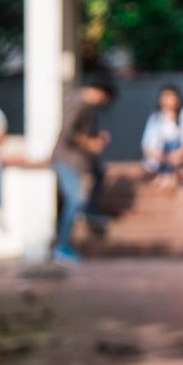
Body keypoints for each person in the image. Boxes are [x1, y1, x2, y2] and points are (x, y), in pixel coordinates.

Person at [50, 77, 115, 264]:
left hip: (78, 161)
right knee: (75, 199)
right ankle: (62, 246)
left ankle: (90, 210)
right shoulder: (79, 103)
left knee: (99, 173)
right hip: (67, 160)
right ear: (100, 92)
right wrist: (90, 143)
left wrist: (97, 138)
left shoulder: (87, 108)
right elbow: (68, 132)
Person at [140, 84, 183, 189]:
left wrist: (175, 156)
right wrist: (160, 156)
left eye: (171, 96)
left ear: (178, 98)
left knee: (173, 144)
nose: (167, 100)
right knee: (167, 145)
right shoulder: (155, 117)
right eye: (165, 96)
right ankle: (167, 175)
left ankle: (166, 175)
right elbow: (146, 145)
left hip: (180, 159)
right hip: (160, 160)